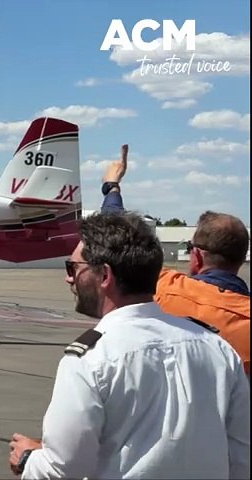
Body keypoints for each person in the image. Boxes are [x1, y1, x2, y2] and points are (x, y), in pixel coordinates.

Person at [8, 212, 250, 479]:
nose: (68, 278)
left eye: (72, 268)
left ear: (105, 275)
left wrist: (29, 459)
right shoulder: (218, 348)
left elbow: (63, 468)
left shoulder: (90, 359)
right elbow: (241, 458)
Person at [99, 144, 250, 376]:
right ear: (241, 258)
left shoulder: (164, 287)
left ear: (197, 256)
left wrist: (112, 187)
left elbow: (118, 239)